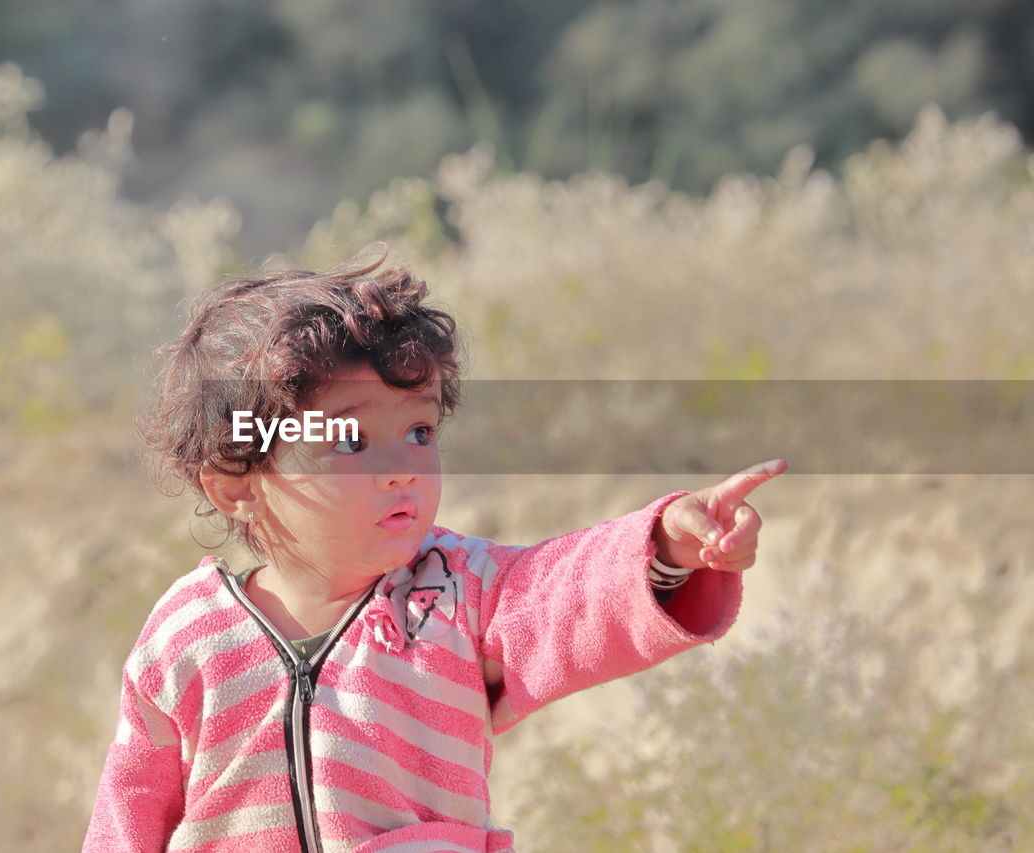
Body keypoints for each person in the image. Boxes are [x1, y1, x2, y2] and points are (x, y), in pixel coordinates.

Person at [82, 252, 786, 852]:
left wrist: (667, 544)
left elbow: (566, 594)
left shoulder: (458, 591)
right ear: (238, 483)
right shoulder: (185, 636)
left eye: (419, 432)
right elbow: (128, 811)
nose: (404, 467)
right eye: (351, 441)